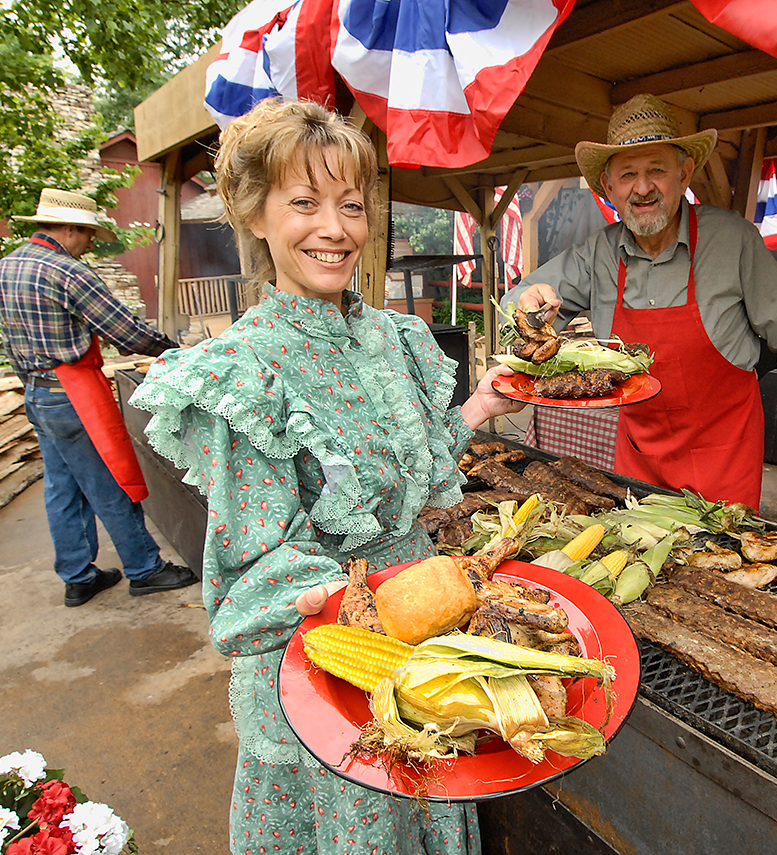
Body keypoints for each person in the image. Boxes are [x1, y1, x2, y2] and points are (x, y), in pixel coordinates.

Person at [128, 97, 524, 855]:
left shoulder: (393, 335)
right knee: (360, 819)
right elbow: (256, 556)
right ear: (254, 215)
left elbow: (416, 479)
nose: (334, 229)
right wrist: (332, 593)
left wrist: (479, 404)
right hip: (326, 656)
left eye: (350, 204)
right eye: (303, 203)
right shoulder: (244, 371)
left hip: (421, 629)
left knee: (424, 800)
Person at [505, 93, 777, 510]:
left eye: (657, 169)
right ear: (608, 187)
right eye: (628, 174)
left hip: (724, 456)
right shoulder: (596, 254)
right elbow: (516, 306)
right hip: (638, 456)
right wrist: (531, 305)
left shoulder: (733, 241)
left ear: (685, 173)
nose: (643, 187)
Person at [0, 188, 198, 607]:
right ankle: (145, 569)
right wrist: (176, 352)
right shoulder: (67, 272)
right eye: (87, 235)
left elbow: (11, 340)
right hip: (72, 394)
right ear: (69, 229)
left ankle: (77, 574)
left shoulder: (8, 266)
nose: (88, 244)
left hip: (36, 391)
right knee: (109, 484)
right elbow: (123, 330)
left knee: (62, 487)